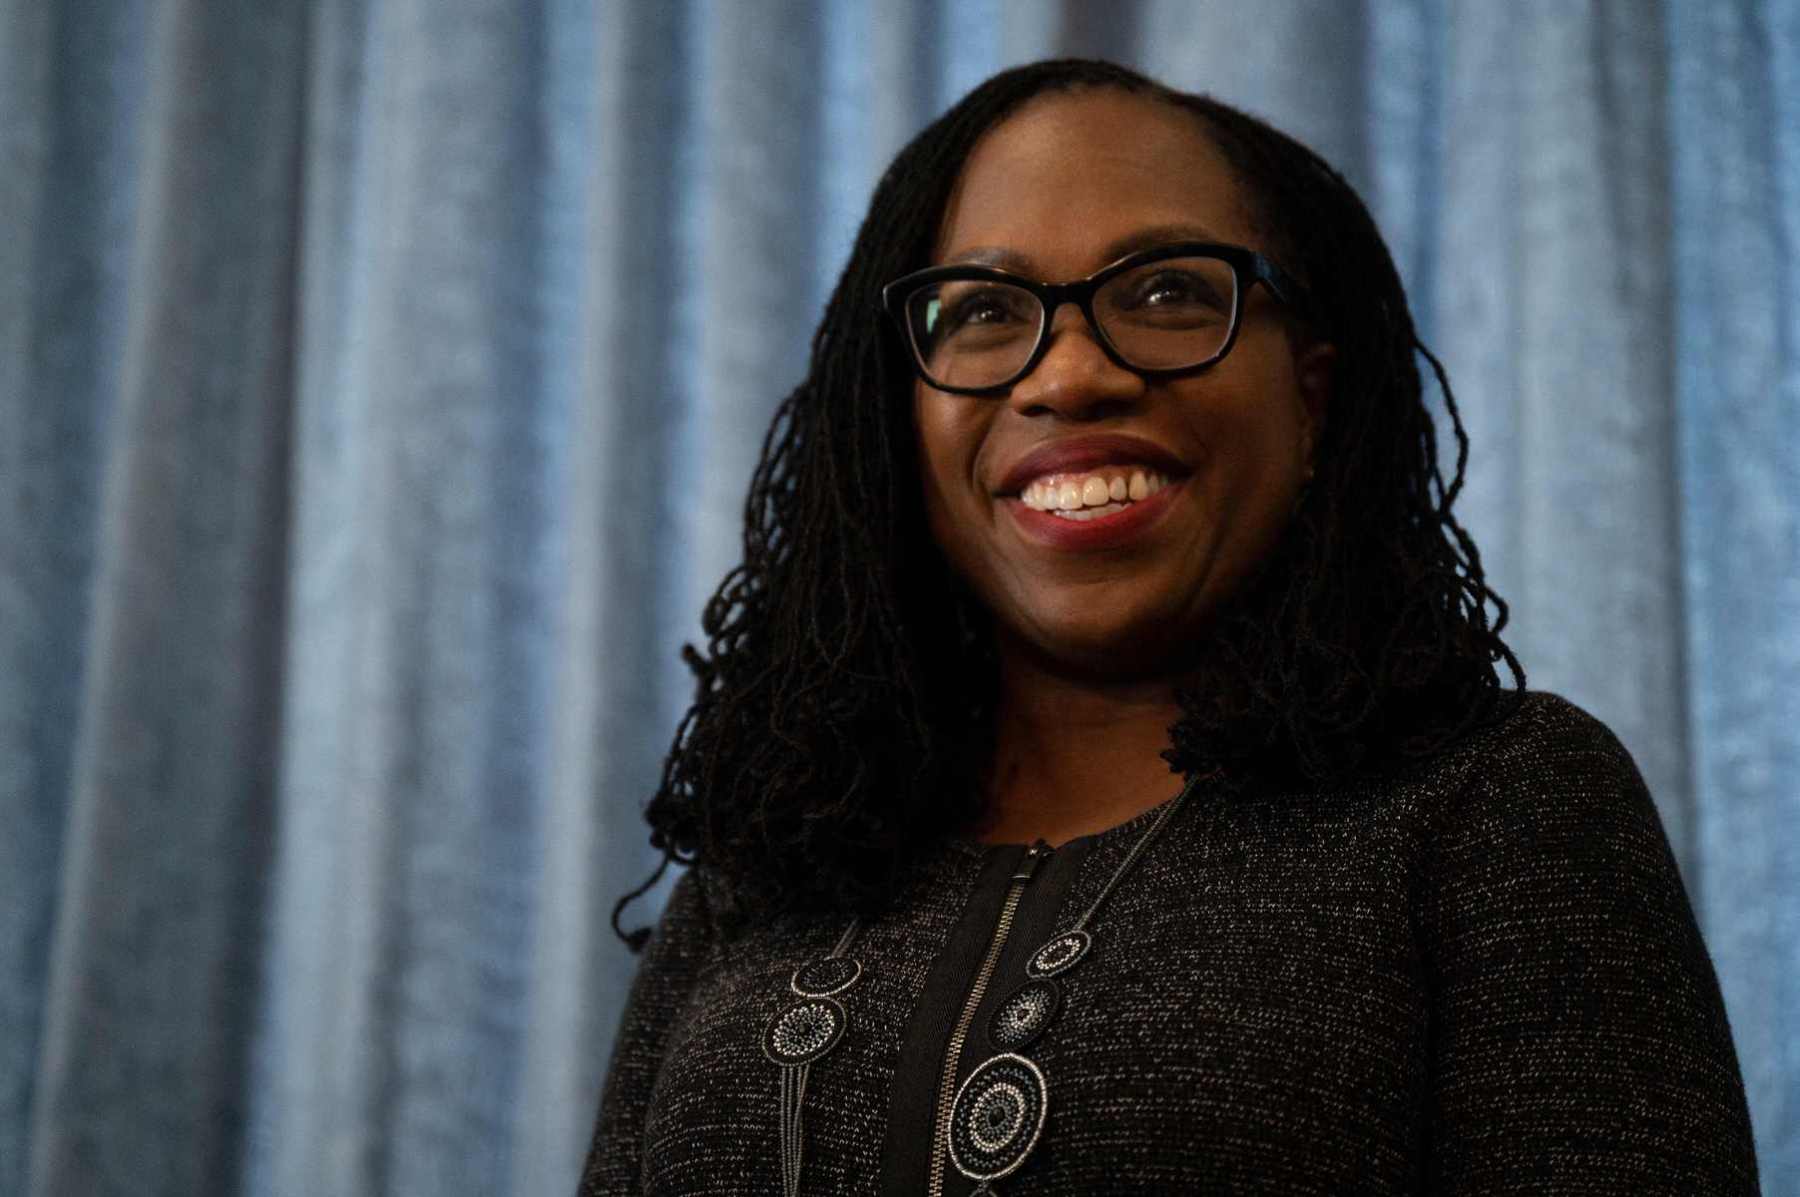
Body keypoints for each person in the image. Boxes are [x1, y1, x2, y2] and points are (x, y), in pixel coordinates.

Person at [579, 59, 1759, 1195]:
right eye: (985, 309)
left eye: (1166, 291)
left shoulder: (1498, 804)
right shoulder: (775, 859)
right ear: (891, 418)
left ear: (1310, 396)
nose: (1072, 376)